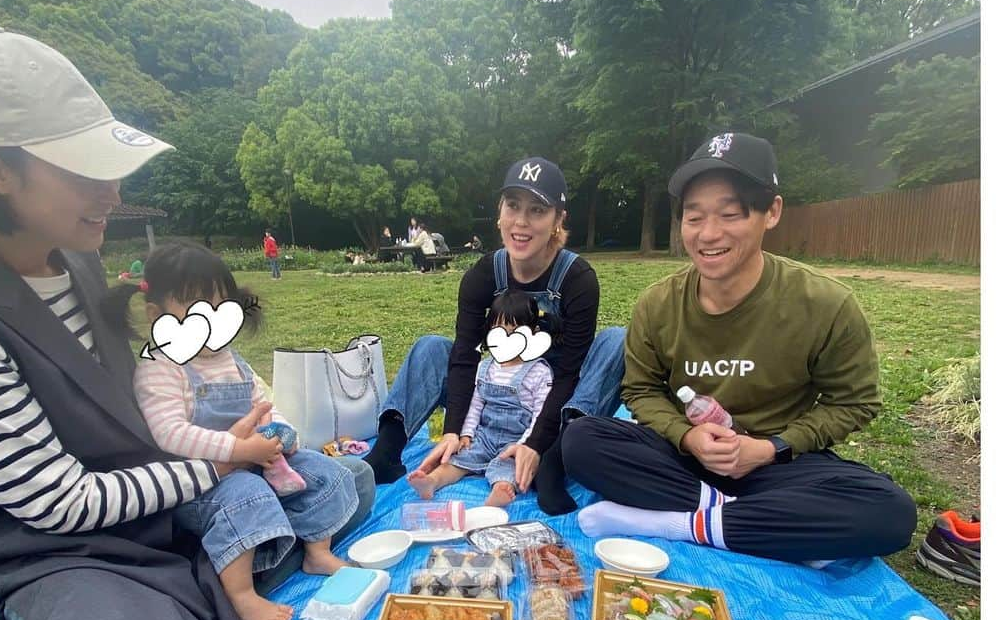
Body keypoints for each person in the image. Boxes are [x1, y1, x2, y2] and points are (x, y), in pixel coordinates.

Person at [0, 28, 375, 620]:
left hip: (155, 505)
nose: (113, 192)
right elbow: (58, 505)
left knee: (347, 478)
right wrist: (223, 465)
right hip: (65, 550)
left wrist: (251, 445)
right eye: (85, 172)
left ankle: (206, 587)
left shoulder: (73, 261)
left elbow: (154, 392)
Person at [562, 132, 917, 565]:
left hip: (776, 466)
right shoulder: (658, 303)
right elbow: (641, 391)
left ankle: (676, 523)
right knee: (581, 440)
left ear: (772, 212)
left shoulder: (825, 304)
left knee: (891, 513)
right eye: (694, 218)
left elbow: (854, 403)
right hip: (684, 461)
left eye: (730, 214)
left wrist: (771, 448)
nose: (709, 234)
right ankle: (757, 525)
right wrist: (689, 437)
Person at [106, 242, 356, 620]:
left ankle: (316, 551)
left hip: (256, 461)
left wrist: (283, 435)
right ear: (157, 315)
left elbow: (263, 403)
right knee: (245, 495)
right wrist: (238, 449)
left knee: (326, 471)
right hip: (204, 484)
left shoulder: (229, 360)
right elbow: (169, 433)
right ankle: (241, 594)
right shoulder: (161, 369)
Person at [364, 156, 627, 513]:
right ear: (499, 213)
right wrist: (455, 430)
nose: (521, 222)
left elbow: (569, 373)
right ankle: (387, 452)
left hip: (552, 398)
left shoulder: (577, 279)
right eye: (513, 206)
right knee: (431, 348)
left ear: (557, 221)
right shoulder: (482, 276)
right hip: (494, 390)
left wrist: (537, 442)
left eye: (537, 210)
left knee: (616, 340)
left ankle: (554, 461)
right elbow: (465, 356)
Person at [407, 291, 553, 508]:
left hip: (516, 440)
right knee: (460, 458)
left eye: (515, 332)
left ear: (532, 333)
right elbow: (476, 404)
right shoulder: (486, 367)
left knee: (509, 468)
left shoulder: (538, 372)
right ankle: (432, 481)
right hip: (485, 435)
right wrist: (466, 433)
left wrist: (527, 444)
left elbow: (541, 413)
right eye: (500, 330)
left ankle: (500, 492)